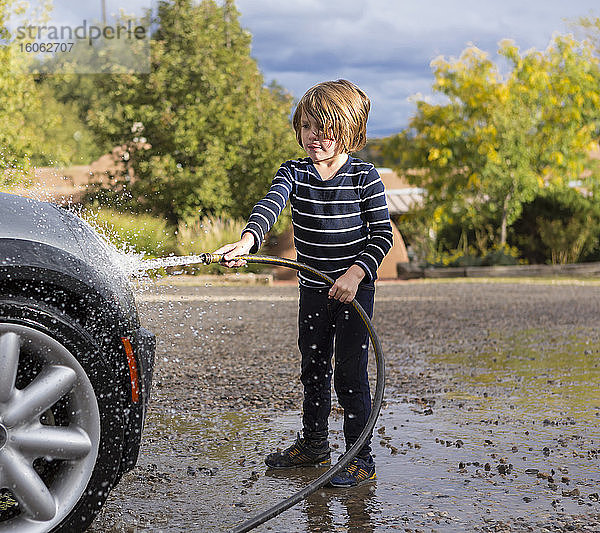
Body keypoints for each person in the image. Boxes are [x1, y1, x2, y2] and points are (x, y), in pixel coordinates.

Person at [215, 79, 393, 487]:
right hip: (312, 289)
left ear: (348, 132)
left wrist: (354, 275)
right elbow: (270, 206)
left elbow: (383, 235)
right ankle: (314, 444)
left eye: (326, 129)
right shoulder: (294, 172)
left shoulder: (364, 176)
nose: (315, 137)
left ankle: (359, 457)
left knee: (351, 375)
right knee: (313, 368)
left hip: (355, 291)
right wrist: (247, 240)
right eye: (308, 127)